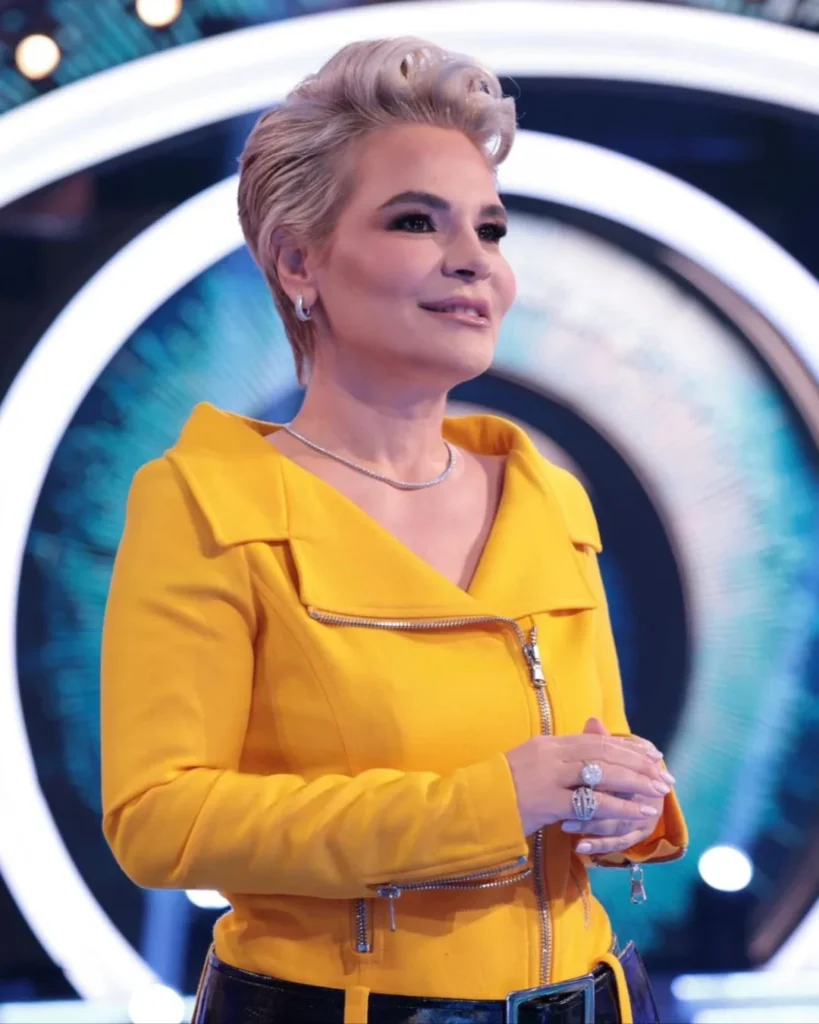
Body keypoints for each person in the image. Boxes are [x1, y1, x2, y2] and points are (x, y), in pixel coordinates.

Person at [101, 37, 687, 1024]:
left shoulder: (549, 495)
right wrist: (493, 801)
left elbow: (589, 755)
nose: (473, 259)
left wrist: (627, 804)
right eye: (417, 220)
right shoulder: (209, 499)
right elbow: (161, 821)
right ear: (299, 260)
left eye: (490, 229)